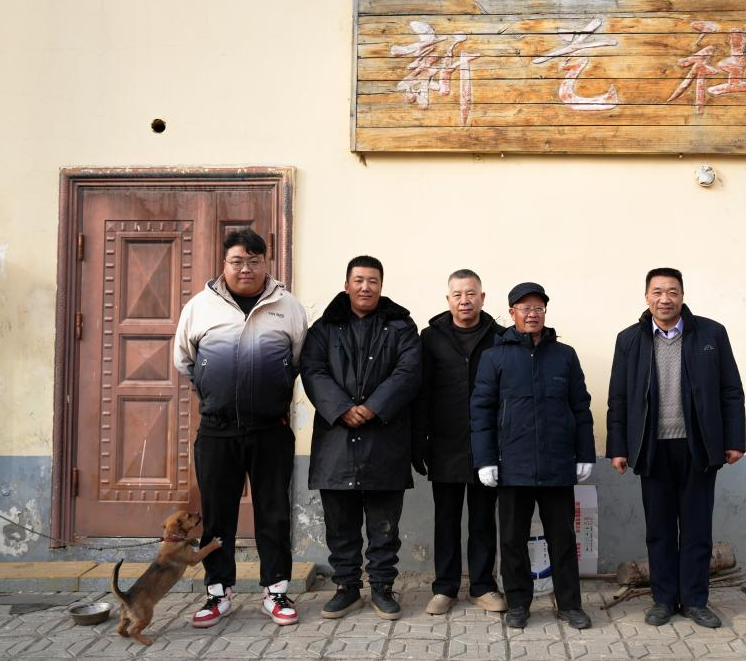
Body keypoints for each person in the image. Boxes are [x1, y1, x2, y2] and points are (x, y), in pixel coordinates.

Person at [173, 228, 307, 628]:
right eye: (237, 261)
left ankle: (276, 590)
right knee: (218, 515)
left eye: (253, 260)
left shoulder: (287, 307)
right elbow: (185, 361)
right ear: (224, 263)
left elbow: (298, 360)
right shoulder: (200, 307)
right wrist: (217, 394)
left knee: (273, 512)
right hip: (217, 431)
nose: (245, 268)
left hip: (270, 430)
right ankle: (218, 592)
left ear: (266, 263)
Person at [606, 268, 744, 629]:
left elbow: (731, 390)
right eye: (657, 292)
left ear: (682, 296)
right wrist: (618, 447)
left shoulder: (711, 334)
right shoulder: (629, 339)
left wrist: (734, 440)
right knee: (660, 529)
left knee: (697, 529)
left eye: (672, 292)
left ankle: (696, 601)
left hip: (698, 445)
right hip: (652, 448)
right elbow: (618, 398)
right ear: (646, 297)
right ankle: (664, 600)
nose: (664, 299)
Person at [301, 256, 421, 620]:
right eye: (359, 280)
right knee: (340, 524)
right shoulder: (324, 328)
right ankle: (347, 587)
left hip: (385, 439)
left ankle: (382, 586)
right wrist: (341, 408)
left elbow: (408, 371)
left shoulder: (401, 326)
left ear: (381, 286)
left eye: (373, 281)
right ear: (347, 285)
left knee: (385, 524)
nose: (365, 287)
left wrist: (373, 407)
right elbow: (313, 370)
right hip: (336, 439)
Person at [470, 282, 595, 630]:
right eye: (525, 308)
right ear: (512, 313)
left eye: (538, 308)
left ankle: (569, 605)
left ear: (545, 312)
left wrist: (584, 453)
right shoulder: (494, 357)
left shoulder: (564, 355)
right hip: (513, 465)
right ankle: (518, 604)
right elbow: (481, 411)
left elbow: (580, 407)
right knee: (512, 540)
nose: (532, 314)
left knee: (563, 539)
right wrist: (485, 459)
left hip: (557, 464)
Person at [416, 270, 507, 615]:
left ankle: (483, 586)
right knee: (446, 519)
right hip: (444, 442)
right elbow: (422, 392)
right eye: (457, 294)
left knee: (483, 519)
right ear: (448, 299)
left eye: (471, 294)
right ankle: (445, 587)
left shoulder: (500, 337)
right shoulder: (431, 338)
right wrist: (419, 441)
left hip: (487, 444)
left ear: (483, 298)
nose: (464, 300)